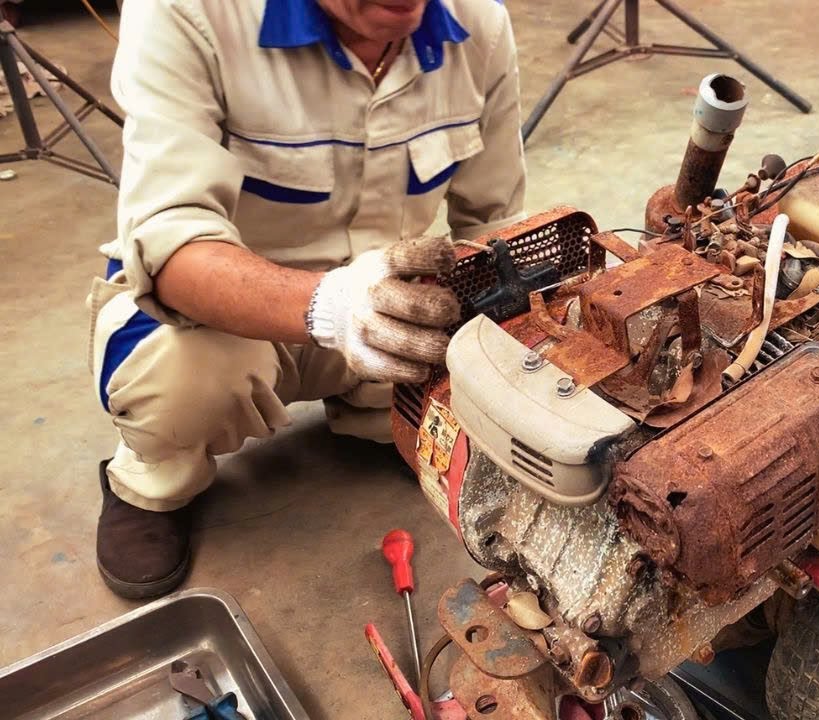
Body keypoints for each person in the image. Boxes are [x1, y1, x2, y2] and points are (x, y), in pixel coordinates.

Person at [87, 0, 525, 599]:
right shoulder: (188, 13)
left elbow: (495, 222)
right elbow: (170, 247)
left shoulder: (479, 24)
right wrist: (336, 306)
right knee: (184, 381)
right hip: (225, 323)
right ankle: (155, 477)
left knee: (469, 324)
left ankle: (381, 418)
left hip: (387, 319)